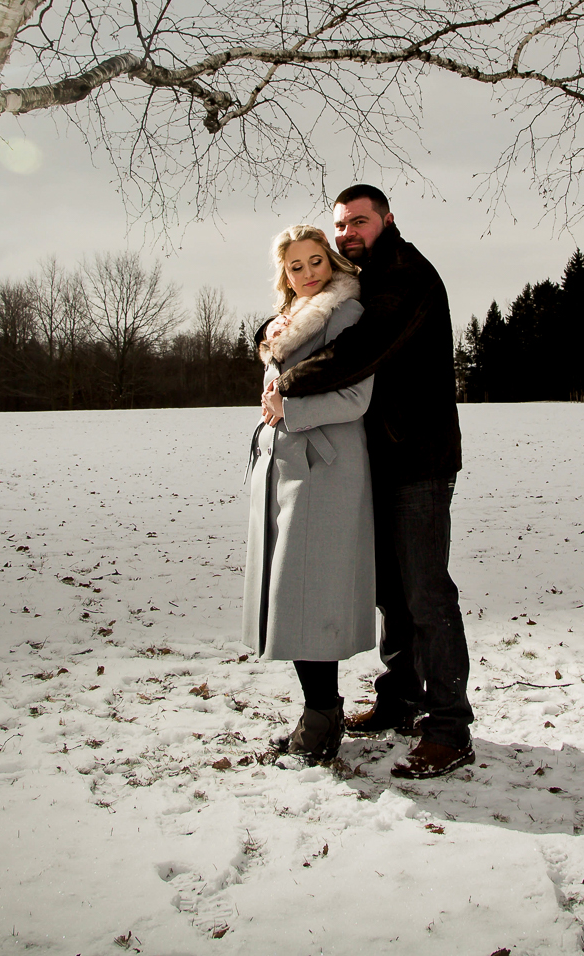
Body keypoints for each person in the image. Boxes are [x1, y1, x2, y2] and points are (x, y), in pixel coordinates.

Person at [265, 183, 471, 779]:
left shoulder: (405, 275)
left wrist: (288, 383)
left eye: (359, 221)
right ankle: (400, 700)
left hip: (420, 459)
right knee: (394, 595)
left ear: (386, 219)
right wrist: (270, 339)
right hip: (377, 458)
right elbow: (302, 313)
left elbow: (358, 350)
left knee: (428, 594)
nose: (348, 232)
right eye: (342, 225)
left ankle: (449, 728)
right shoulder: (360, 276)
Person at [243, 223, 377, 766]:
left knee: (308, 595)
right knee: (291, 596)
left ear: (332, 262)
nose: (306, 274)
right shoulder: (286, 323)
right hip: (285, 467)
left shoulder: (345, 314)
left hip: (325, 468)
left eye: (316, 262)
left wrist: (289, 411)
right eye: (295, 266)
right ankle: (317, 712)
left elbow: (355, 395)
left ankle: (322, 720)